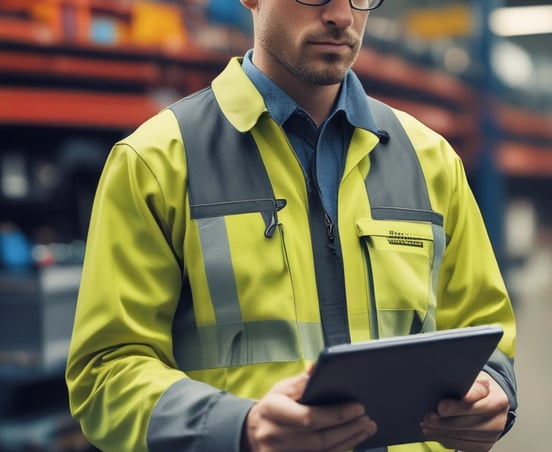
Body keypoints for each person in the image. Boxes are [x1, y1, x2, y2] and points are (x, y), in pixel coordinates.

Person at [65, 0, 518, 451]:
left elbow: (482, 330)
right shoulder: (157, 162)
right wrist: (238, 427)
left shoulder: (430, 160)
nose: (342, 16)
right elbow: (105, 374)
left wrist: (494, 389)